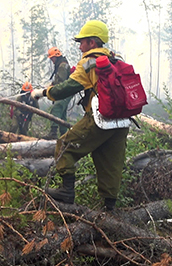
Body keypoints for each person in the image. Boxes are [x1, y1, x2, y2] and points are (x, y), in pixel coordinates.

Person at [31, 20, 129, 212]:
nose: (79, 46)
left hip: (100, 118)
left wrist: (43, 93)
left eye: (82, 41)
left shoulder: (88, 62)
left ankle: (67, 191)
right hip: (122, 121)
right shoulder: (115, 59)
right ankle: (109, 209)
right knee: (110, 162)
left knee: (64, 146)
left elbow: (66, 88)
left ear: (92, 42)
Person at [45, 46, 73, 139]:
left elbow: (62, 81)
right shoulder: (60, 65)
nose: (52, 60)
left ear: (56, 56)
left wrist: (53, 88)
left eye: (52, 58)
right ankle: (63, 135)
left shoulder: (62, 65)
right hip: (64, 91)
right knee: (62, 113)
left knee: (56, 108)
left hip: (65, 91)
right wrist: (51, 85)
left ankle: (53, 133)